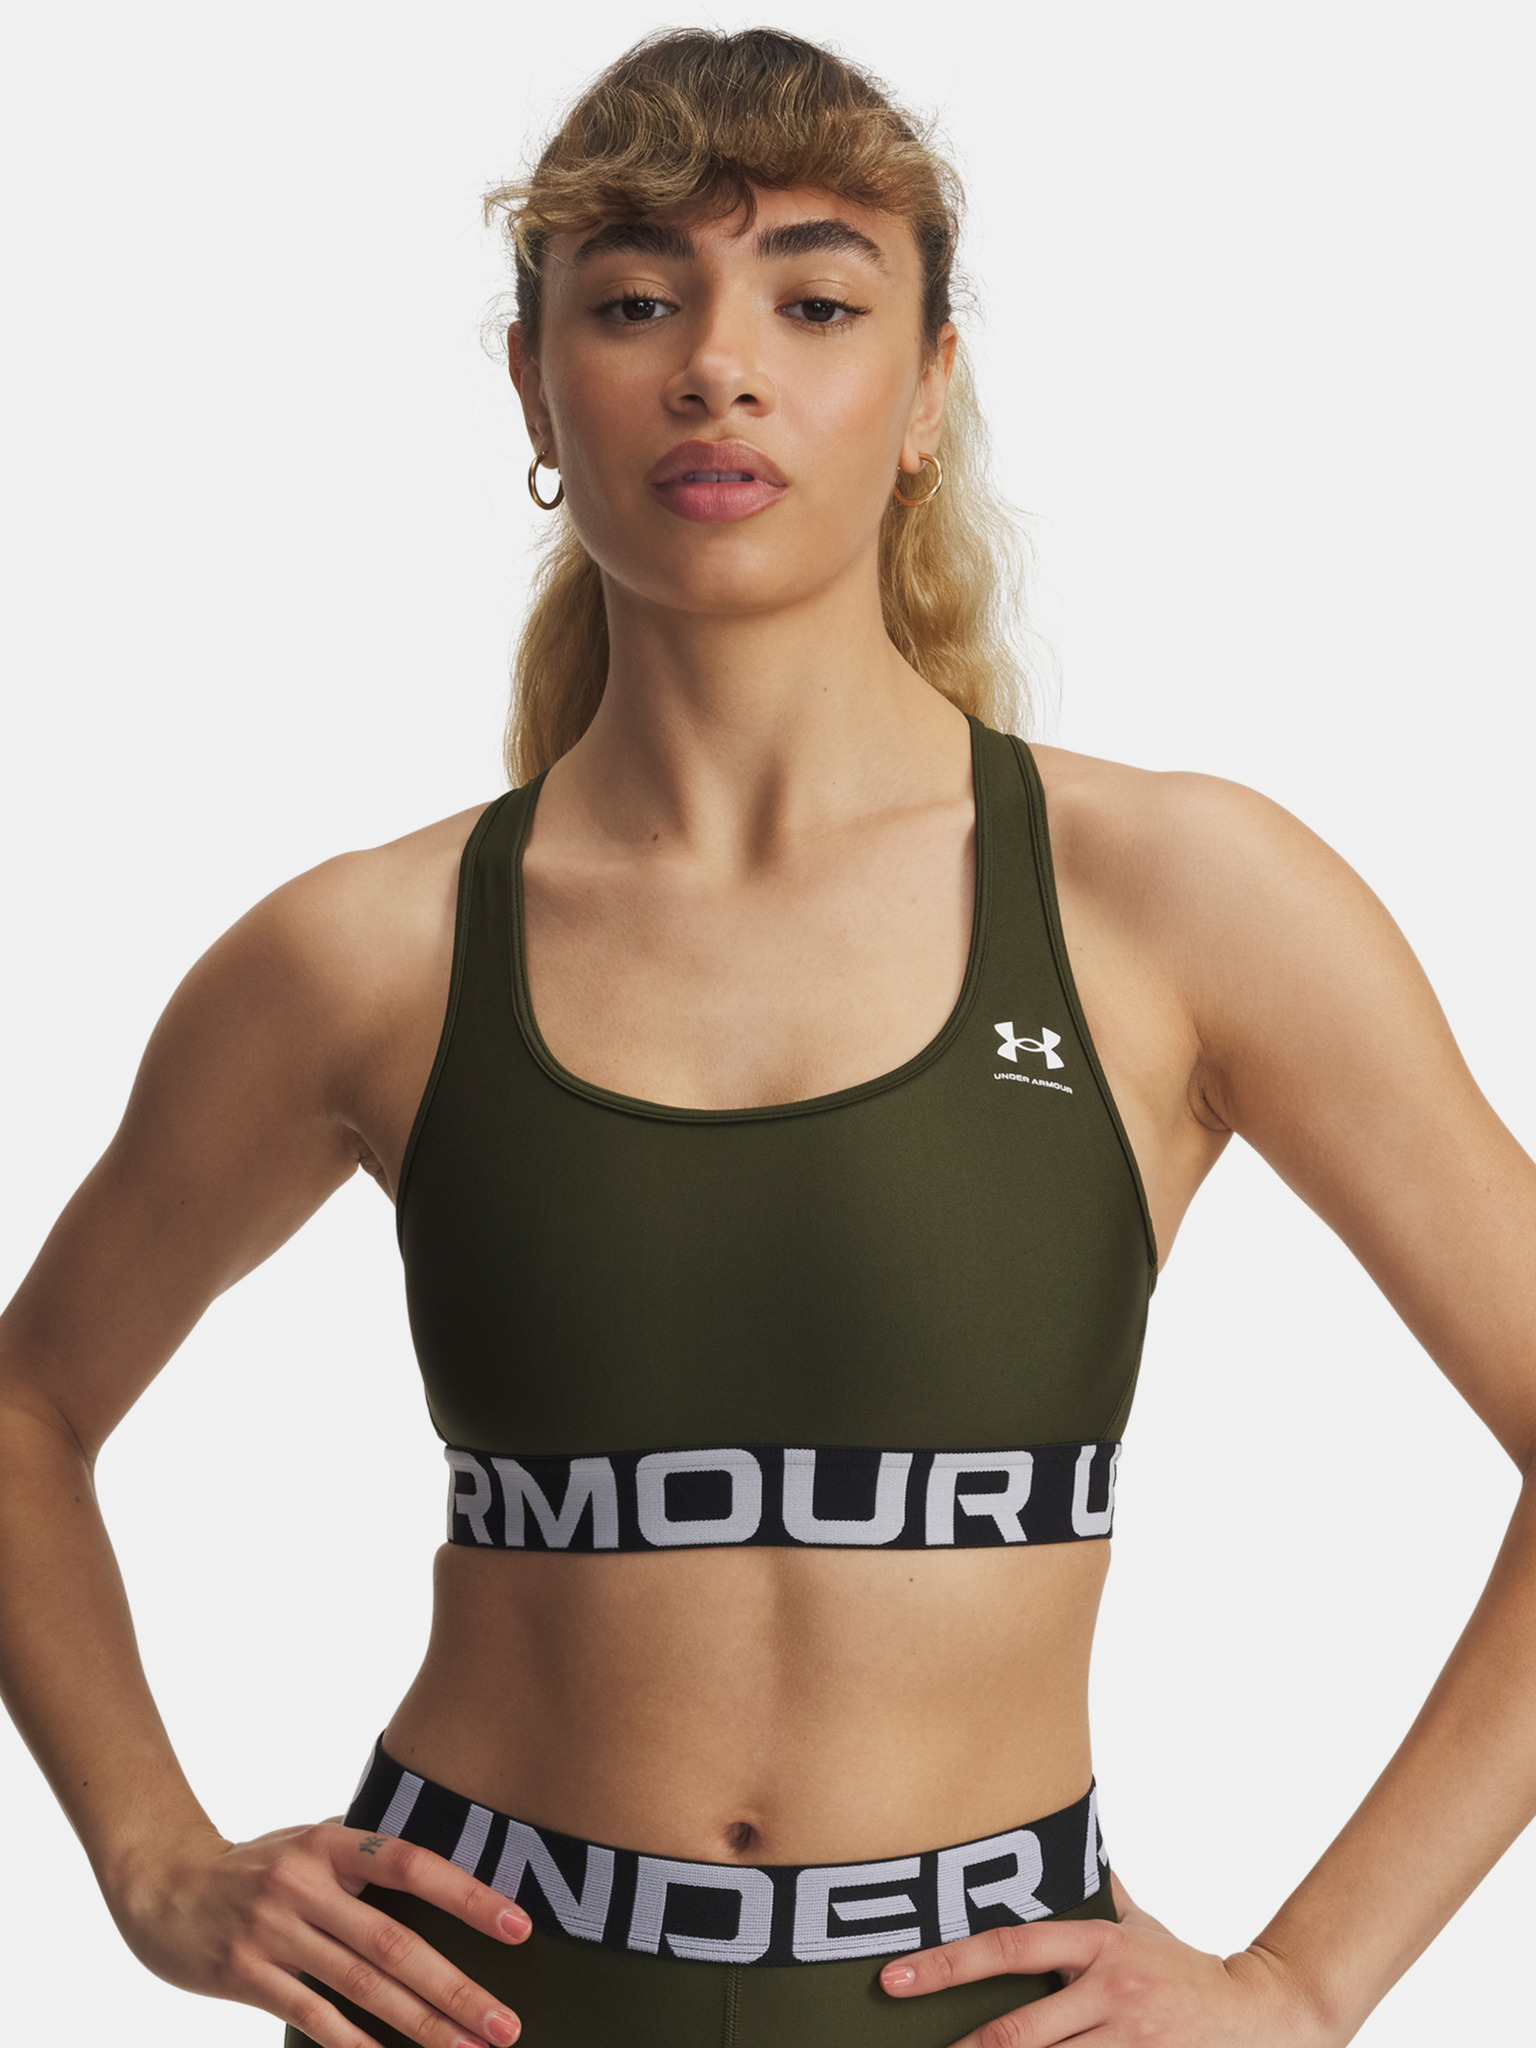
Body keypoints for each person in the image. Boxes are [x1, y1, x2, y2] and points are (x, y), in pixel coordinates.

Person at [1, 24, 1533, 2048]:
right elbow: (26, 1407)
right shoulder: (363, 955)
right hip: (469, 2003)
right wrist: (149, 1857)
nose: (720, 366)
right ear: (535, 384)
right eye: (636, 301)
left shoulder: (1178, 900)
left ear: (928, 391)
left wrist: (1308, 1983)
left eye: (815, 302)